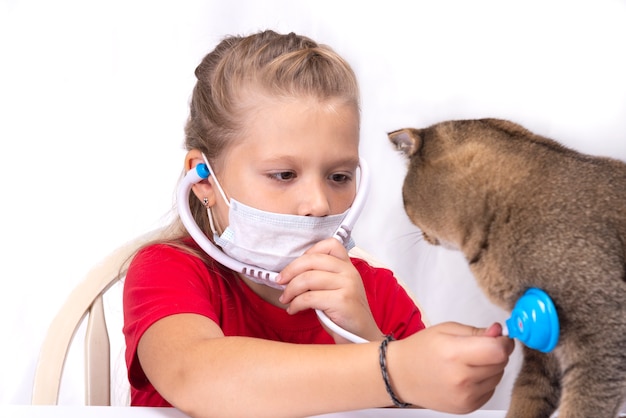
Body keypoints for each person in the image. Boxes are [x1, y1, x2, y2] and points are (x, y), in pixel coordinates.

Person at [123, 29, 514, 418]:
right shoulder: (169, 269)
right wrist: (392, 367)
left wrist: (364, 336)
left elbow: (425, 405)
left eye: (339, 176)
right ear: (205, 179)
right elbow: (198, 378)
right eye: (284, 175)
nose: (319, 204)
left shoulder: (374, 292)